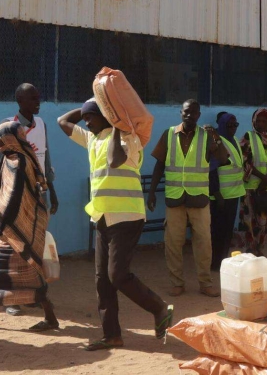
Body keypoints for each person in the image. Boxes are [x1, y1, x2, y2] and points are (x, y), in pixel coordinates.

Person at [58, 99, 172, 351]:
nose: (86, 121)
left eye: (91, 117)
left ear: (107, 118)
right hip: (103, 216)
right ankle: (112, 335)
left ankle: (159, 307)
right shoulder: (92, 139)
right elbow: (62, 122)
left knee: (117, 275)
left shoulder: (130, 139)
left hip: (127, 217)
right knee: (102, 280)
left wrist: (116, 122)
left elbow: (114, 160)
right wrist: (95, 101)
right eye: (85, 118)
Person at [147, 99, 227, 297]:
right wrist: (151, 192)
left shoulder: (207, 135)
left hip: (199, 199)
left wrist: (216, 135)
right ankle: (177, 283)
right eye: (186, 112)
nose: (190, 115)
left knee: (204, 243)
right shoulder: (169, 134)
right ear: (180, 113)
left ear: (199, 115)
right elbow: (159, 165)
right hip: (175, 199)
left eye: (194, 112)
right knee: (173, 243)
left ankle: (205, 283)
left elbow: (224, 159)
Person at [1, 83, 59, 317]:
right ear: (19, 101)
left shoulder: (41, 125)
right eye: (32, 98)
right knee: (13, 246)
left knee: (34, 246)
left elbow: (44, 161)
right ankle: (10, 300)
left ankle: (30, 292)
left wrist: (52, 191)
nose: (38, 101)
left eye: (38, 97)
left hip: (38, 194)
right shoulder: (10, 127)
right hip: (17, 198)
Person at [238, 108, 267, 257]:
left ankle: (260, 253)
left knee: (264, 224)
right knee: (249, 224)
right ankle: (249, 254)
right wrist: (263, 178)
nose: (261, 124)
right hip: (250, 190)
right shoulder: (247, 138)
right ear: (253, 122)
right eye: (258, 120)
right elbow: (243, 161)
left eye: (265, 121)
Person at [209, 113, 245, 270]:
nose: (233, 128)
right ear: (222, 125)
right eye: (229, 125)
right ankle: (215, 263)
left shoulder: (234, 140)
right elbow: (212, 170)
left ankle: (222, 260)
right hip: (221, 196)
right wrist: (217, 194)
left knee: (227, 232)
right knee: (217, 231)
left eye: (235, 125)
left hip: (234, 193)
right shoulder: (218, 142)